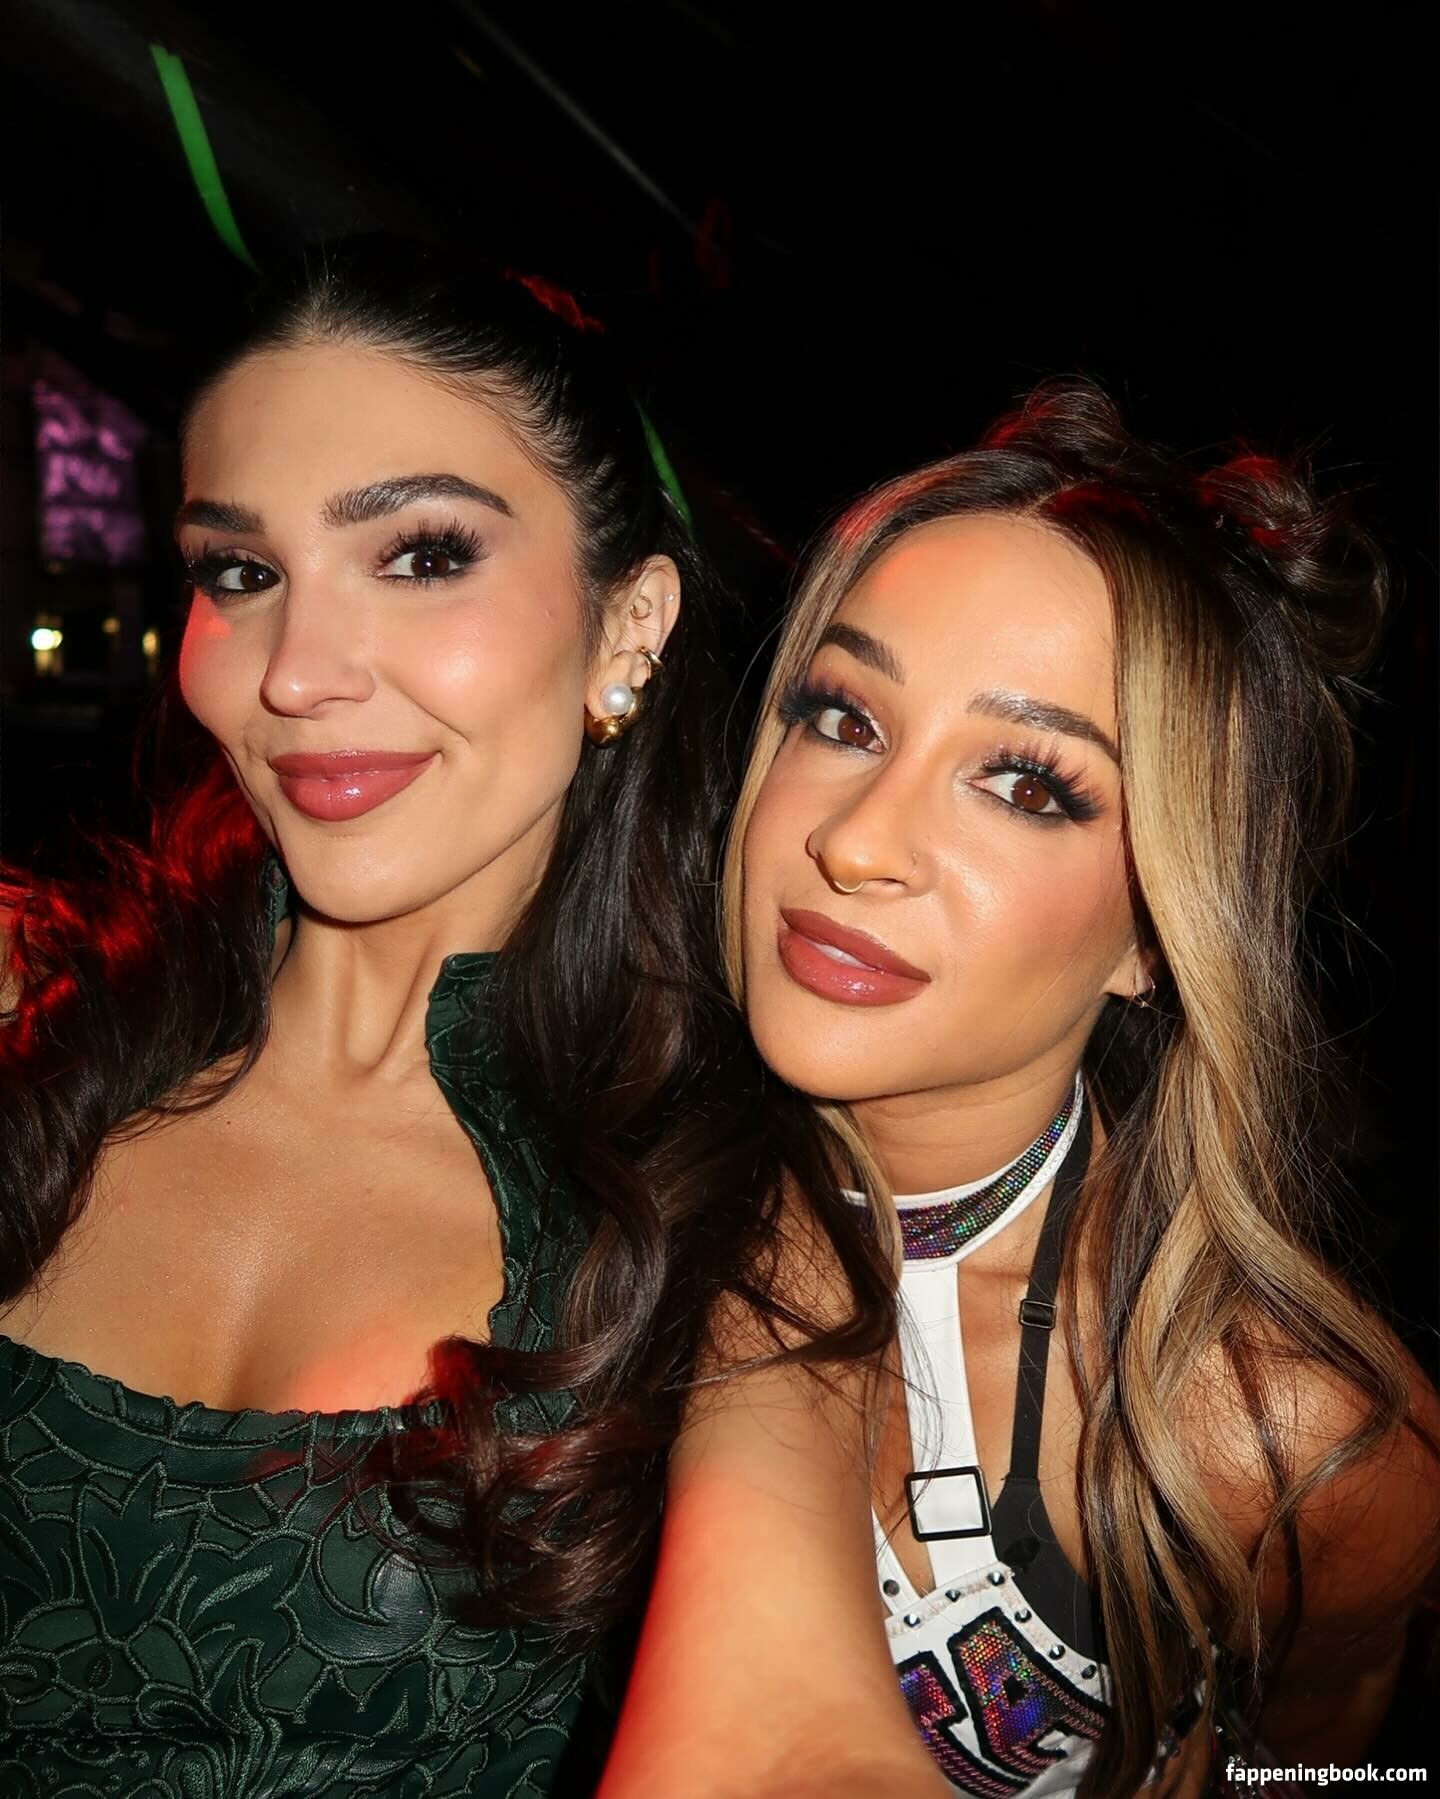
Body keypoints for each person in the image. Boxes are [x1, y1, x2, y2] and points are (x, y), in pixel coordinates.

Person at [0, 242, 895, 1796]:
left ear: (628, 624)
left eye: (419, 555)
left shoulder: (726, 1214)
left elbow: (794, 1735)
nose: (296, 674)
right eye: (242, 572)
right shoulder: (34, 1013)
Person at [603, 382, 1440, 1797]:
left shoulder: (1288, 1442)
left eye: (1030, 785)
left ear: (1156, 936)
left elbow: (1321, 1760)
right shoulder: (560, 1147)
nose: (859, 843)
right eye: (843, 716)